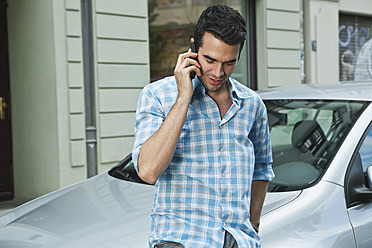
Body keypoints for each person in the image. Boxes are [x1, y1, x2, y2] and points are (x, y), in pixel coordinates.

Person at [132, 4, 274, 248]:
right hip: (181, 241)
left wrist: (253, 225)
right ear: (192, 49)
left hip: (237, 241)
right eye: (210, 60)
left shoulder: (252, 105)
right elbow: (148, 170)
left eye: (229, 63)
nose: (218, 72)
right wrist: (183, 98)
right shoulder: (157, 96)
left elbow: (261, 171)